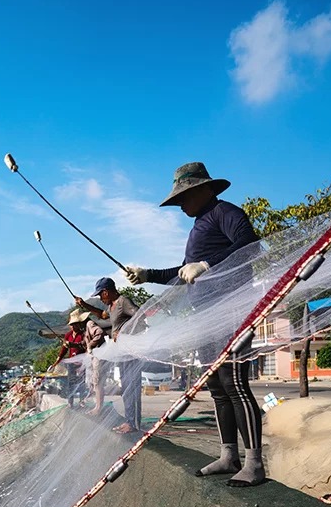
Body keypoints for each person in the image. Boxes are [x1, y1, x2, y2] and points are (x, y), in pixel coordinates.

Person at [125, 161, 265, 487]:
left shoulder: (224, 212)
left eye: (184, 197)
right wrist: (147, 275)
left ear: (204, 189)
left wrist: (206, 263)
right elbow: (182, 272)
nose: (181, 205)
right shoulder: (198, 226)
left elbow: (251, 245)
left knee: (235, 384)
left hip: (231, 312)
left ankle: (254, 463)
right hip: (206, 318)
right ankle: (229, 455)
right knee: (217, 388)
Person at [75, 278, 142, 433]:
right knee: (126, 387)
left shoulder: (123, 301)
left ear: (106, 291)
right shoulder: (112, 307)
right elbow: (102, 315)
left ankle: (133, 424)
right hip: (122, 351)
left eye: (101, 295)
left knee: (132, 386)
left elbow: (140, 316)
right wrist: (84, 305)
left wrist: (124, 329)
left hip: (131, 350)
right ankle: (129, 421)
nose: (101, 298)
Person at [50, 309, 88, 408]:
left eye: (76, 324)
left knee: (82, 382)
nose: (74, 326)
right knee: (71, 382)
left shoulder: (83, 334)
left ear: (79, 324)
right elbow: (64, 349)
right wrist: (57, 361)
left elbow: (85, 346)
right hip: (71, 362)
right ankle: (70, 402)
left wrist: (73, 345)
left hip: (82, 361)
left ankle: (82, 401)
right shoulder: (68, 335)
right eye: (72, 324)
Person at [83, 314, 108, 415]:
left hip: (99, 356)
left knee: (97, 382)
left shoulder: (90, 324)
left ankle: (98, 408)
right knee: (95, 382)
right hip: (96, 356)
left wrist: (90, 345)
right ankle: (97, 405)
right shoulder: (85, 328)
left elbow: (99, 333)